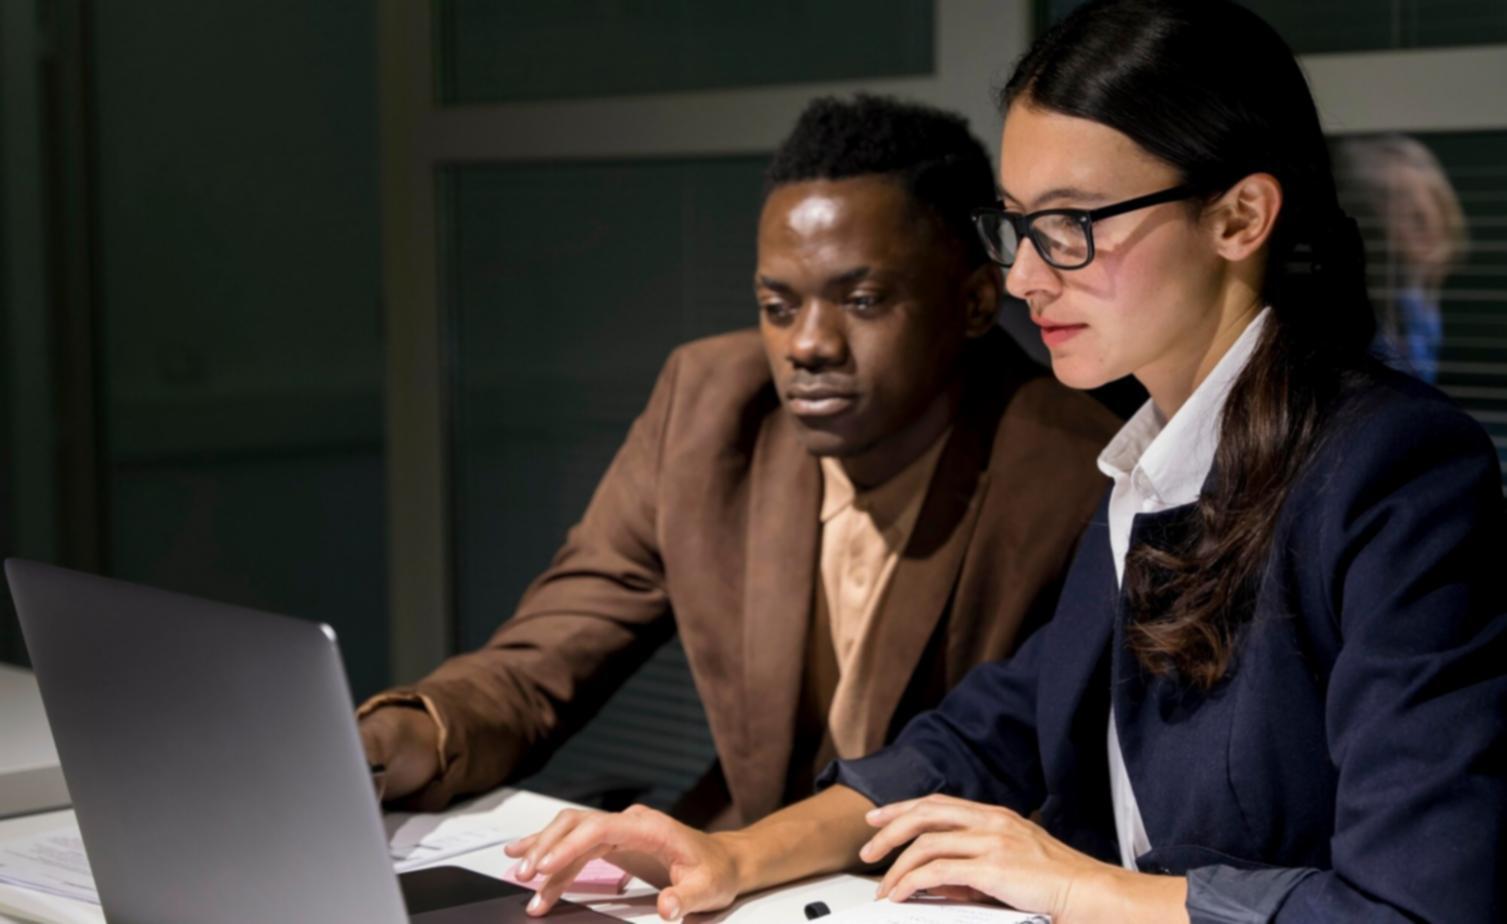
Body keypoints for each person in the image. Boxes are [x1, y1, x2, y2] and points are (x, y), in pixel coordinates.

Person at [505, 2, 1507, 921]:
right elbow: (995, 728)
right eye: (1017, 225)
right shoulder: (1152, 465)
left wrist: (1078, 886)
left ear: (1239, 217)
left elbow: (1414, 908)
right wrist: (733, 855)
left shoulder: (1397, 473)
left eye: (1070, 226)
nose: (1024, 277)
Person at [358, 95, 1119, 829]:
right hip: (729, 867)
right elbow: (548, 655)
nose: (806, 345)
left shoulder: (1077, 468)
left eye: (860, 300)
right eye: (777, 307)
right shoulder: (708, 408)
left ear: (977, 303)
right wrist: (409, 736)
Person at [1335, 134, 1469, 383]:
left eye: (1431, 194)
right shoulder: (1354, 321)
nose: (1423, 212)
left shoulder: (1420, 303)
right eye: (1397, 198)